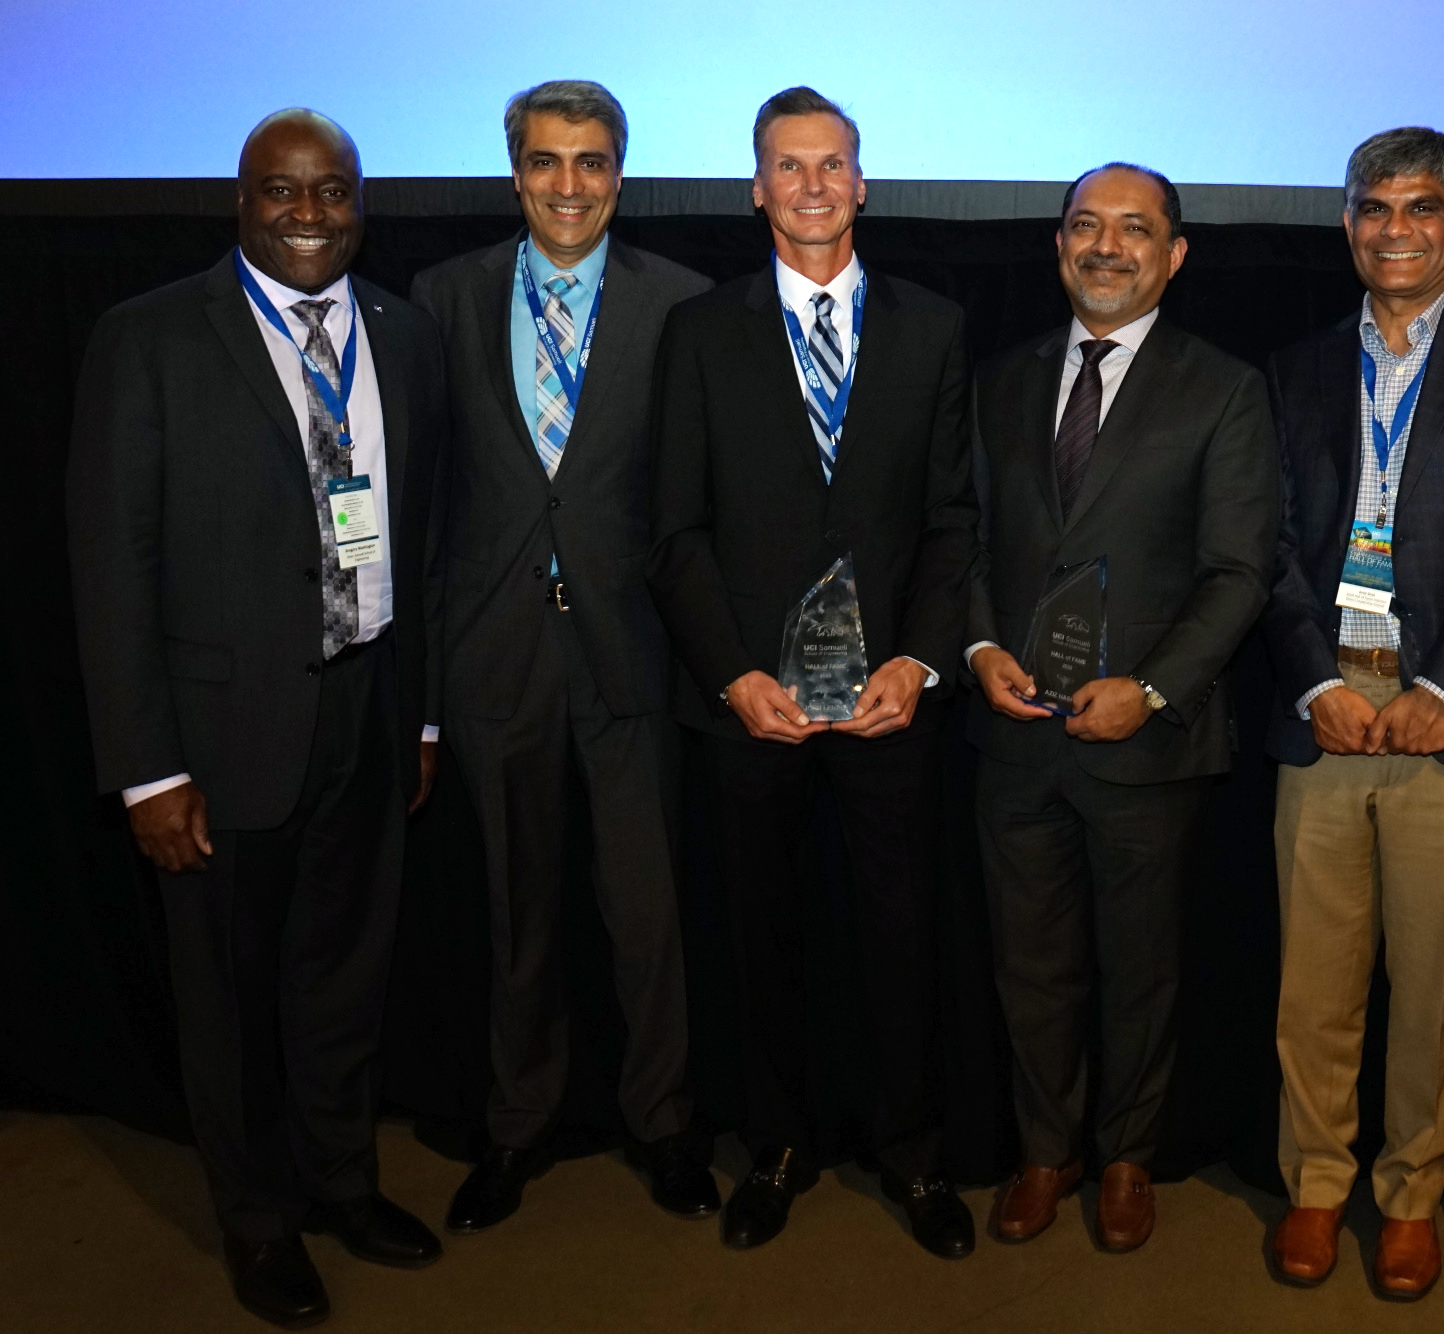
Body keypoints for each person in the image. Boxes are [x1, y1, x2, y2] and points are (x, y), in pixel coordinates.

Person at [67, 109, 448, 1327]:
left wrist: (424, 719)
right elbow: (111, 565)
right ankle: (258, 1219)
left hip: (370, 709)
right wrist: (144, 769)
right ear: (240, 202)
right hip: (219, 739)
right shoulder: (151, 338)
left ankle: (340, 1183)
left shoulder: (403, 332)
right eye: (280, 193)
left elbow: (422, 539)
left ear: (358, 204)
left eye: (330, 192)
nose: (307, 215)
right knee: (229, 1000)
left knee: (344, 977)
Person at [649, 86, 979, 1259]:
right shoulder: (698, 331)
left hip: (891, 706)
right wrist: (733, 672)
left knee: (902, 936)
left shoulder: (933, 326)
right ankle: (777, 1145)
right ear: (755, 187)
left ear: (862, 180)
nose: (812, 185)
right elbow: (674, 529)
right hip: (754, 709)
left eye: (831, 163)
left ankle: (913, 1150)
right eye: (787, 167)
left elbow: (952, 521)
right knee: (761, 937)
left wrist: (917, 659)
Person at [410, 80, 717, 1235]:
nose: (569, 185)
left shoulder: (681, 304)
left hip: (632, 652)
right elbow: (432, 497)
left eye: (591, 162)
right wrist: (428, 692)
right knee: (513, 910)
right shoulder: (443, 298)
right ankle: (514, 1126)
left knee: (647, 917)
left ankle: (666, 1124)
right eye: (547, 162)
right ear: (515, 171)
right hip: (493, 657)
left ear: (621, 174)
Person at [1261, 127, 1444, 1298]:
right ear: (1346, 226)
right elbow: (1267, 547)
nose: (1395, 228)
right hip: (1325, 703)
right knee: (1313, 978)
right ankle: (1315, 1183)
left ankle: (1410, 1194)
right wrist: (1317, 681)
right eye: (1372, 208)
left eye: (1419, 207)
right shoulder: (1290, 369)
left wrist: (1440, 690)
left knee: (1431, 983)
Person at [967, 163, 1280, 1252]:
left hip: (1144, 741)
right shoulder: (999, 381)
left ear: (1174, 253)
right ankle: (1043, 1149)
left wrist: (1149, 689)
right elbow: (961, 541)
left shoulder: (1225, 389)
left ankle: (1127, 1153)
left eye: (1133, 229)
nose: (1106, 246)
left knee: (1140, 964)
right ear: (1057, 246)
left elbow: (1238, 571)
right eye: (1085, 227)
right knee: (1029, 960)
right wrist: (976, 648)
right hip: (1013, 736)